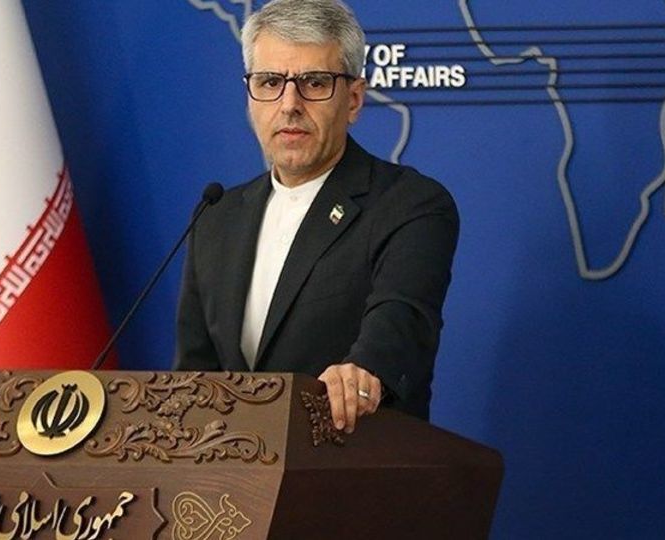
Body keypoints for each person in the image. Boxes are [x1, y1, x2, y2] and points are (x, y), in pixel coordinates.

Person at [173, 0, 459, 432]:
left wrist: (364, 372)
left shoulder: (410, 205)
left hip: (352, 458)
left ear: (354, 99)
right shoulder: (218, 217)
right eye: (270, 82)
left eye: (314, 83)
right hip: (230, 470)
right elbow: (194, 378)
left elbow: (402, 321)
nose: (289, 104)